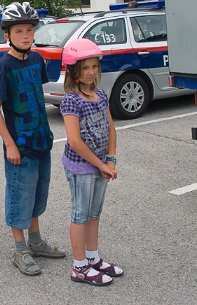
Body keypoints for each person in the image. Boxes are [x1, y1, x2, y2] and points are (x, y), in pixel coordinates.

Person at [0, 2, 66, 276]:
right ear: (7, 35)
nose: (25, 35)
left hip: (41, 140)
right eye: (19, 30)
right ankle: (20, 249)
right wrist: (10, 143)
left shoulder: (36, 59)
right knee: (19, 195)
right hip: (19, 146)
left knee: (36, 194)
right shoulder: (4, 66)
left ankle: (35, 242)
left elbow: (39, 95)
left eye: (30, 30)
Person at [60, 38, 122, 286]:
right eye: (85, 68)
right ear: (73, 70)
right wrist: (101, 164)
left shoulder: (101, 95)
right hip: (81, 167)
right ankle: (79, 267)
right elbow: (74, 142)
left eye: (94, 66)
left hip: (101, 164)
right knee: (81, 215)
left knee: (94, 214)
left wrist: (111, 160)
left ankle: (93, 258)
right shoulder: (71, 101)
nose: (91, 72)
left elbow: (111, 129)